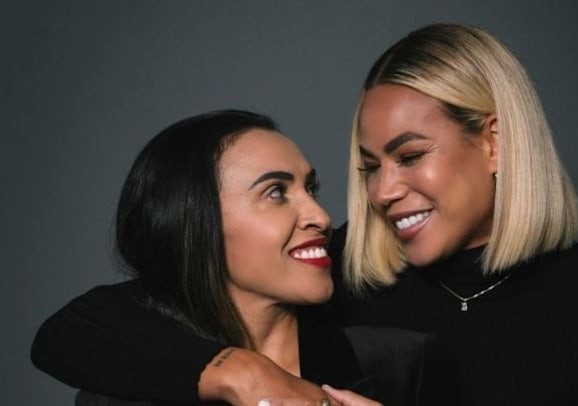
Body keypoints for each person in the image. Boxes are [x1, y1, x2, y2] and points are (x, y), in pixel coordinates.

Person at [32, 24, 578, 405]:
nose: (382, 191)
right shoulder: (328, 272)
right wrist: (249, 375)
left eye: (410, 156)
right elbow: (83, 327)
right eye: (370, 166)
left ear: (494, 142)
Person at [31, 109, 434, 406]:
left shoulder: (395, 361)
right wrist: (242, 371)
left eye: (311, 189)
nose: (321, 216)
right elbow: (69, 329)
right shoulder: (124, 388)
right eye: (276, 192)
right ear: (196, 224)